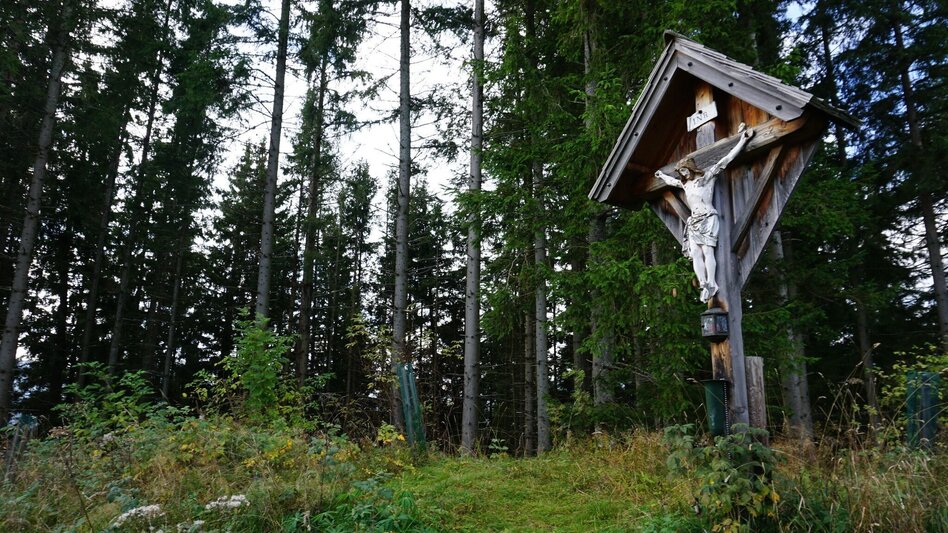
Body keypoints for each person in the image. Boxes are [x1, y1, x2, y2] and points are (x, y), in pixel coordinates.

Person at [654, 122, 754, 302]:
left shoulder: (707, 177)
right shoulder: (685, 184)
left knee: (708, 251)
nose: (683, 174)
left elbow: (725, 160)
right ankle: (703, 284)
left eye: (685, 170)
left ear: (691, 168)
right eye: (681, 171)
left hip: (708, 217)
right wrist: (662, 176)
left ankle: (712, 282)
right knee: (695, 253)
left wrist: (742, 140)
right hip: (694, 221)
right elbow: (672, 182)